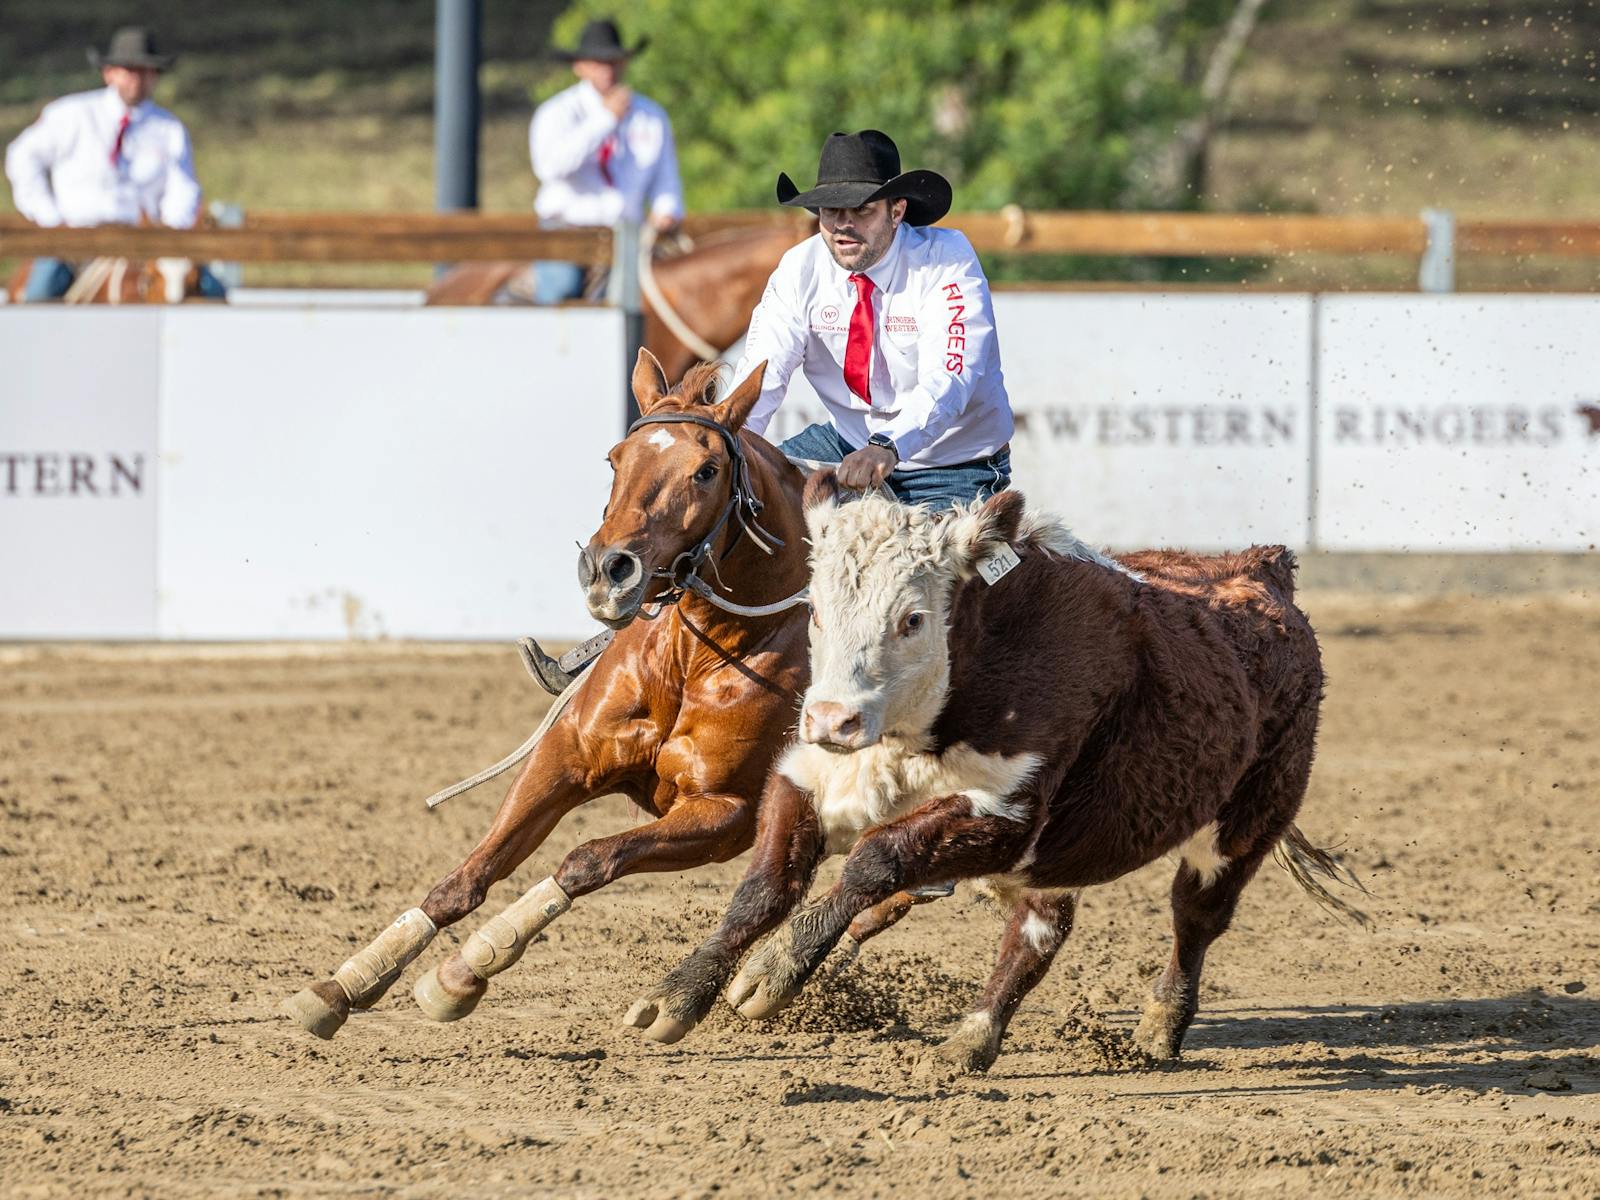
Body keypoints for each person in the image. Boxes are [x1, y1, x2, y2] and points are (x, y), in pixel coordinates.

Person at [733, 129, 1012, 511]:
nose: (843, 225)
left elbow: (949, 378)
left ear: (896, 211)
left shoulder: (946, 261)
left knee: (924, 568)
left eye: (861, 209)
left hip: (953, 463)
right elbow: (763, 370)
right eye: (831, 210)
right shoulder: (800, 268)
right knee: (742, 510)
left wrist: (887, 446)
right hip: (844, 445)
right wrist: (733, 438)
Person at [4, 26, 224, 302]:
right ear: (109, 73)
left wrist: (168, 235)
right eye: (129, 70)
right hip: (74, 240)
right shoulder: (73, 114)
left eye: (146, 71)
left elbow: (183, 188)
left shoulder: (169, 129)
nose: (137, 79)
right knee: (38, 295)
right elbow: (22, 157)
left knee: (214, 293)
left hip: (141, 244)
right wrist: (49, 218)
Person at [523, 18, 684, 304]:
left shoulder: (651, 115)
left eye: (613, 61)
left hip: (628, 232)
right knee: (561, 288)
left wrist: (666, 209)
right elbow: (550, 167)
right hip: (568, 228)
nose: (607, 70)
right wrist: (605, 120)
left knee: (662, 296)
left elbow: (665, 177)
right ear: (579, 66)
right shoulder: (558, 112)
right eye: (598, 62)